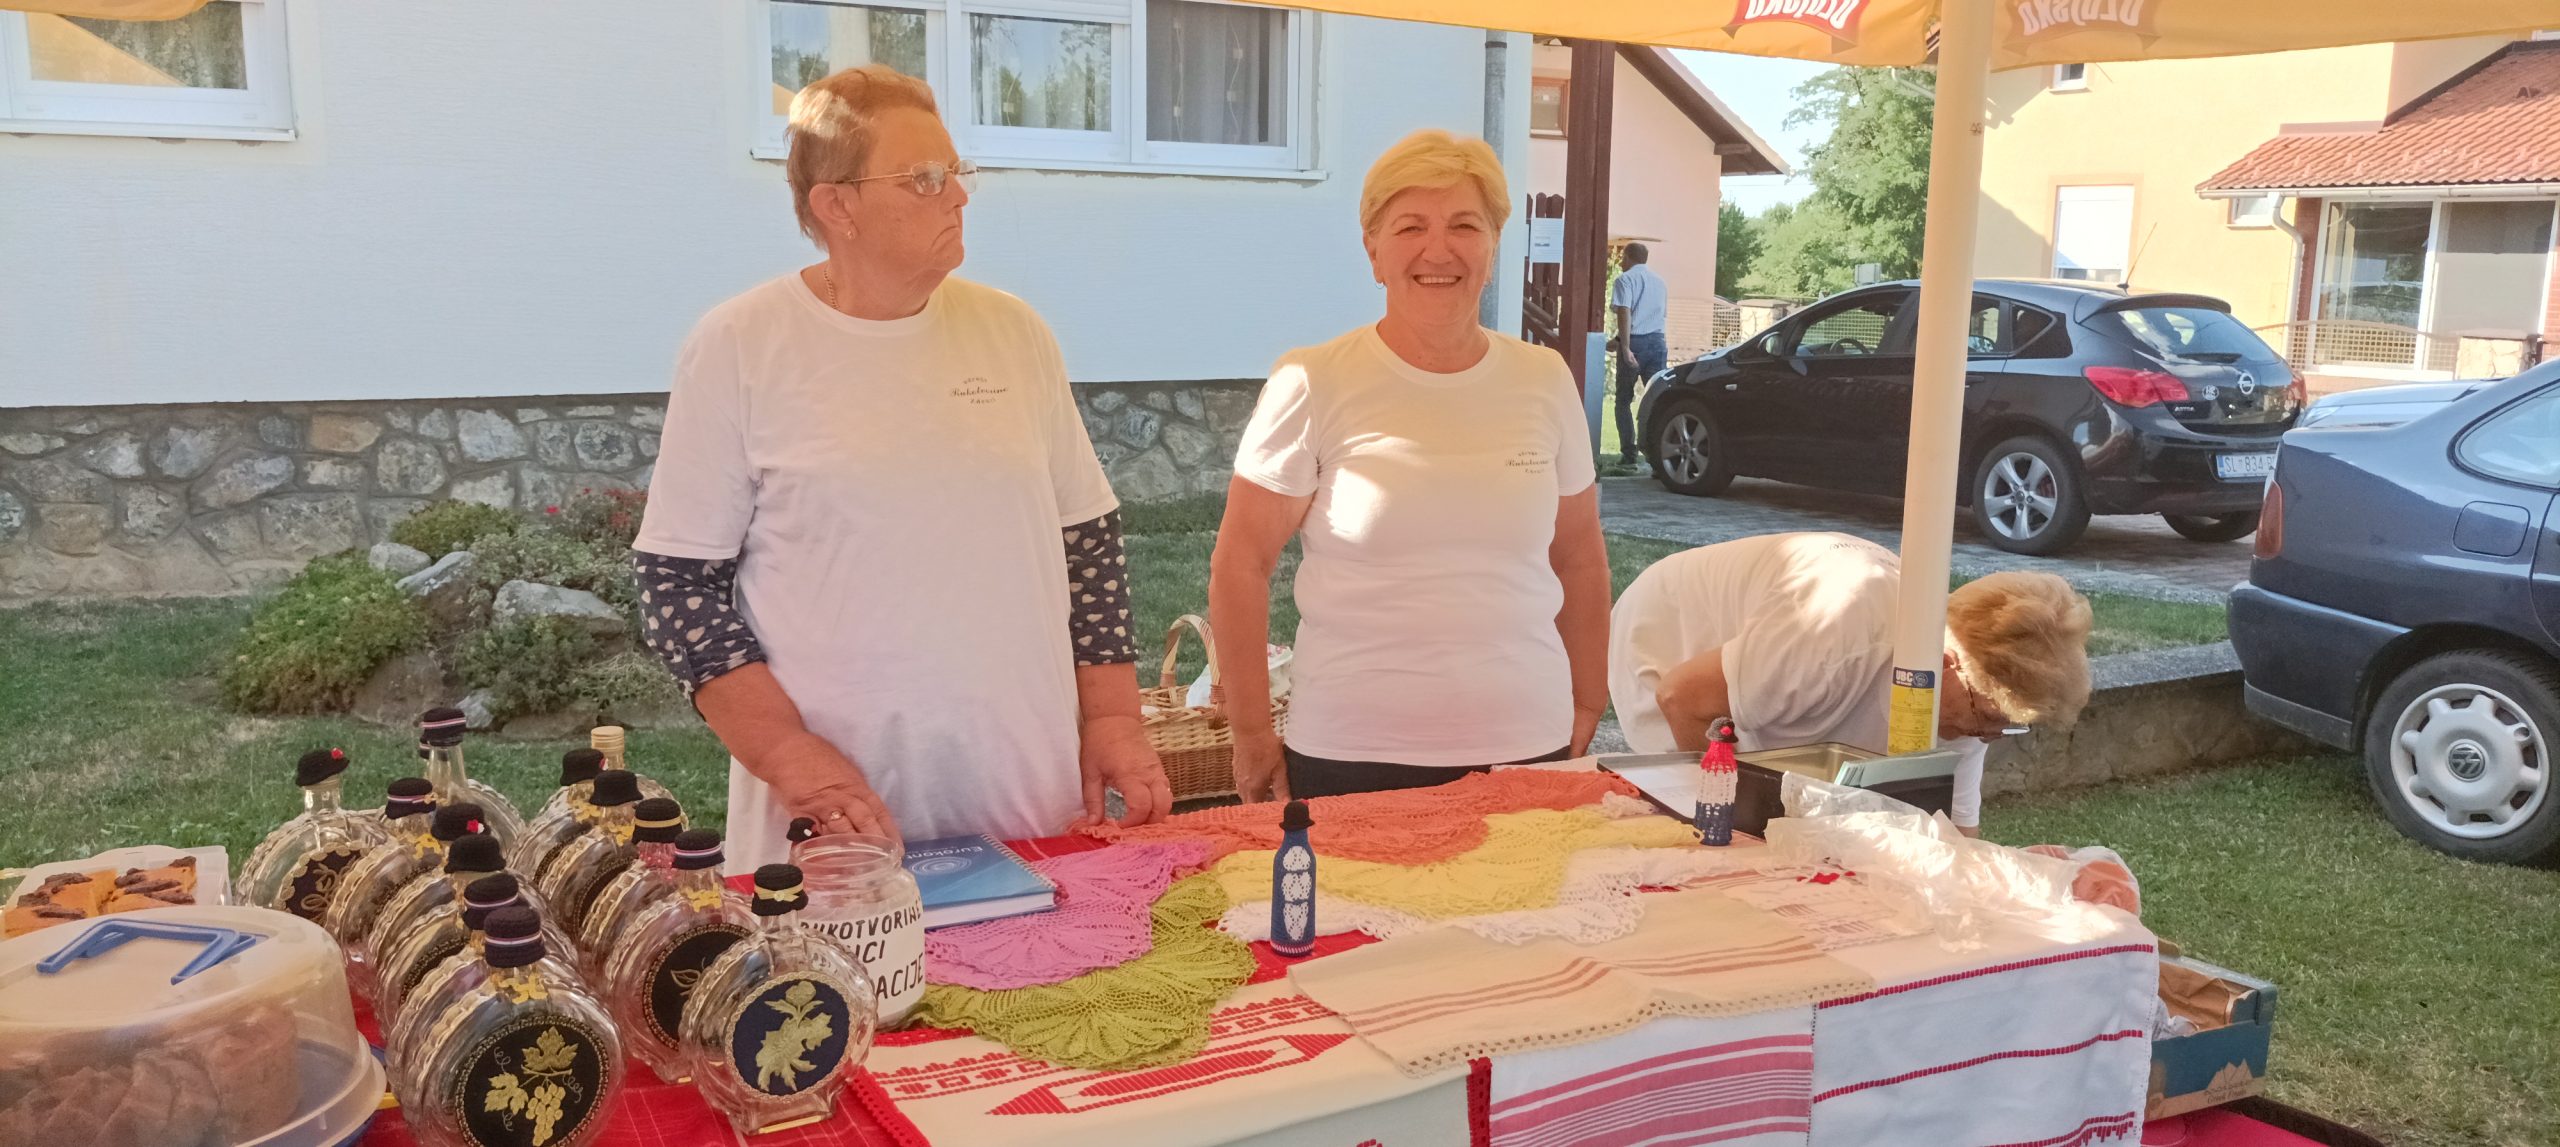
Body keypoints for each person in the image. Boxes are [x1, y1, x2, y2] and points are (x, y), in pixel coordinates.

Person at [631, 66, 1170, 871]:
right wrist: (791, 756)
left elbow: (1086, 544)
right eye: (924, 178)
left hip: (1028, 799)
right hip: (835, 823)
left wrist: (1115, 721)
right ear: (836, 205)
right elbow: (677, 587)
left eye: (955, 171)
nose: (958, 196)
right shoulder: (740, 346)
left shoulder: (1013, 332)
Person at [1209, 129, 1612, 803]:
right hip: (1350, 755)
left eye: (1465, 225)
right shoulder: (1311, 381)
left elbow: (1580, 556)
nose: (1438, 249)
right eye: (1410, 226)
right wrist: (1250, 730)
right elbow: (1239, 563)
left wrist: (1589, 695)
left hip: (1528, 746)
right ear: (1373, 251)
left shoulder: (1544, 378)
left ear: (1493, 246)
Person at [1608, 532, 2093, 836]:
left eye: (2004, 727)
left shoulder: (1974, 689)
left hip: (1781, 673)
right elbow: (1682, 698)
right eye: (1985, 719)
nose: (1985, 737)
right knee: (1734, 828)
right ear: (1946, 662)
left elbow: (1956, 832)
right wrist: (1725, 829)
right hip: (1667, 638)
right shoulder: (1835, 632)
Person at [1608, 243, 1668, 465]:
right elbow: (1653, 318)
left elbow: (1625, 312)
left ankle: (1629, 454)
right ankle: (1658, 457)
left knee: (1623, 400)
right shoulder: (1660, 283)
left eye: (1622, 257)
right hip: (1658, 342)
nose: (1621, 262)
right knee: (1658, 400)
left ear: (1628, 257)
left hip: (1635, 344)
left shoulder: (1624, 280)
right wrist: (1618, 340)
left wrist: (1624, 346)